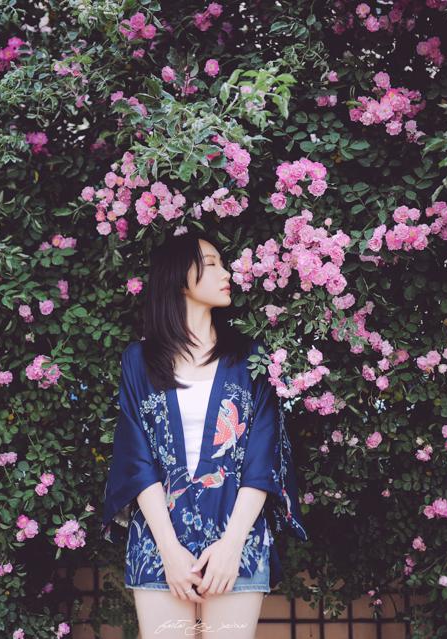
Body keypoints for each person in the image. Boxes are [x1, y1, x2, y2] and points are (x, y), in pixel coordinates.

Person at [100, 230, 309, 638]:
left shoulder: (250, 359)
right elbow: (136, 459)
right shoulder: (139, 361)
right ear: (179, 278)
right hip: (159, 540)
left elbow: (262, 458)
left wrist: (232, 546)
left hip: (236, 536)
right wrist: (169, 551)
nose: (227, 273)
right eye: (212, 264)